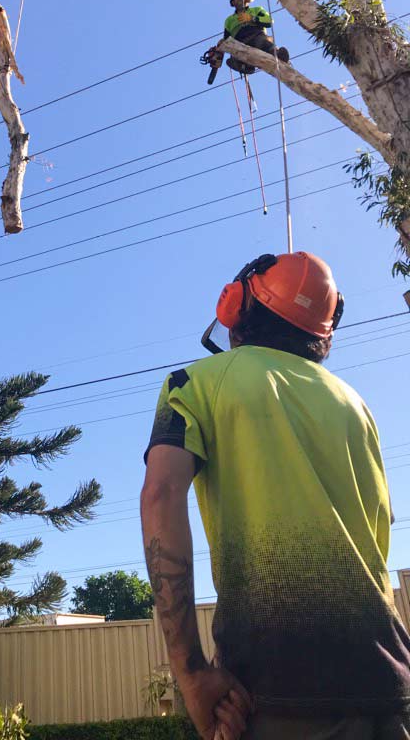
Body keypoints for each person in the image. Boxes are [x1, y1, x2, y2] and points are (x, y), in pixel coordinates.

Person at [140, 252, 410, 739]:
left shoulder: (195, 384)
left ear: (236, 306)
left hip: (277, 690)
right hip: (391, 683)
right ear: (322, 333)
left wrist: (192, 674)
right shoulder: (356, 405)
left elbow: (161, 494)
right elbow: (381, 528)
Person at [206, 0, 290, 77]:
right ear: (232, 2)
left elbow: (269, 21)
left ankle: (277, 55)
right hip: (240, 43)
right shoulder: (229, 20)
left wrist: (252, 18)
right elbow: (226, 40)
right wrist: (218, 51)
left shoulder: (257, 10)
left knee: (264, 43)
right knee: (236, 53)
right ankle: (243, 65)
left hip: (257, 36)